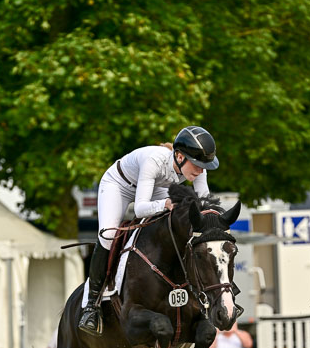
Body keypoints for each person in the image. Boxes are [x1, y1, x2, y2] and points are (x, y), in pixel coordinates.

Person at [78, 125, 220, 336]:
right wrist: (166, 204)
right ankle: (92, 306)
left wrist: (214, 221)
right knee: (108, 234)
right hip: (119, 185)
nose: (200, 170)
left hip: (155, 187)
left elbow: (204, 204)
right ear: (179, 156)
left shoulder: (198, 169)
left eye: (203, 165)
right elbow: (140, 207)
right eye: (197, 165)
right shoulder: (154, 160)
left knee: (173, 225)